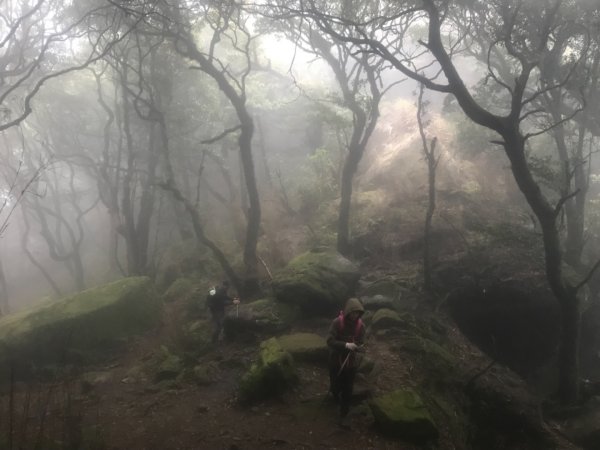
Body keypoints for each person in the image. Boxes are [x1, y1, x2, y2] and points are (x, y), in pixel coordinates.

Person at [327, 297, 365, 425]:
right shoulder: (337, 323)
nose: (355, 315)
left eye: (357, 313)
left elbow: (361, 342)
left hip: (350, 363)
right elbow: (330, 341)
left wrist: (357, 347)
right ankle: (336, 397)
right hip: (335, 361)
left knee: (348, 388)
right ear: (348, 311)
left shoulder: (361, 326)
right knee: (335, 386)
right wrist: (345, 345)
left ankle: (344, 414)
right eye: (353, 313)